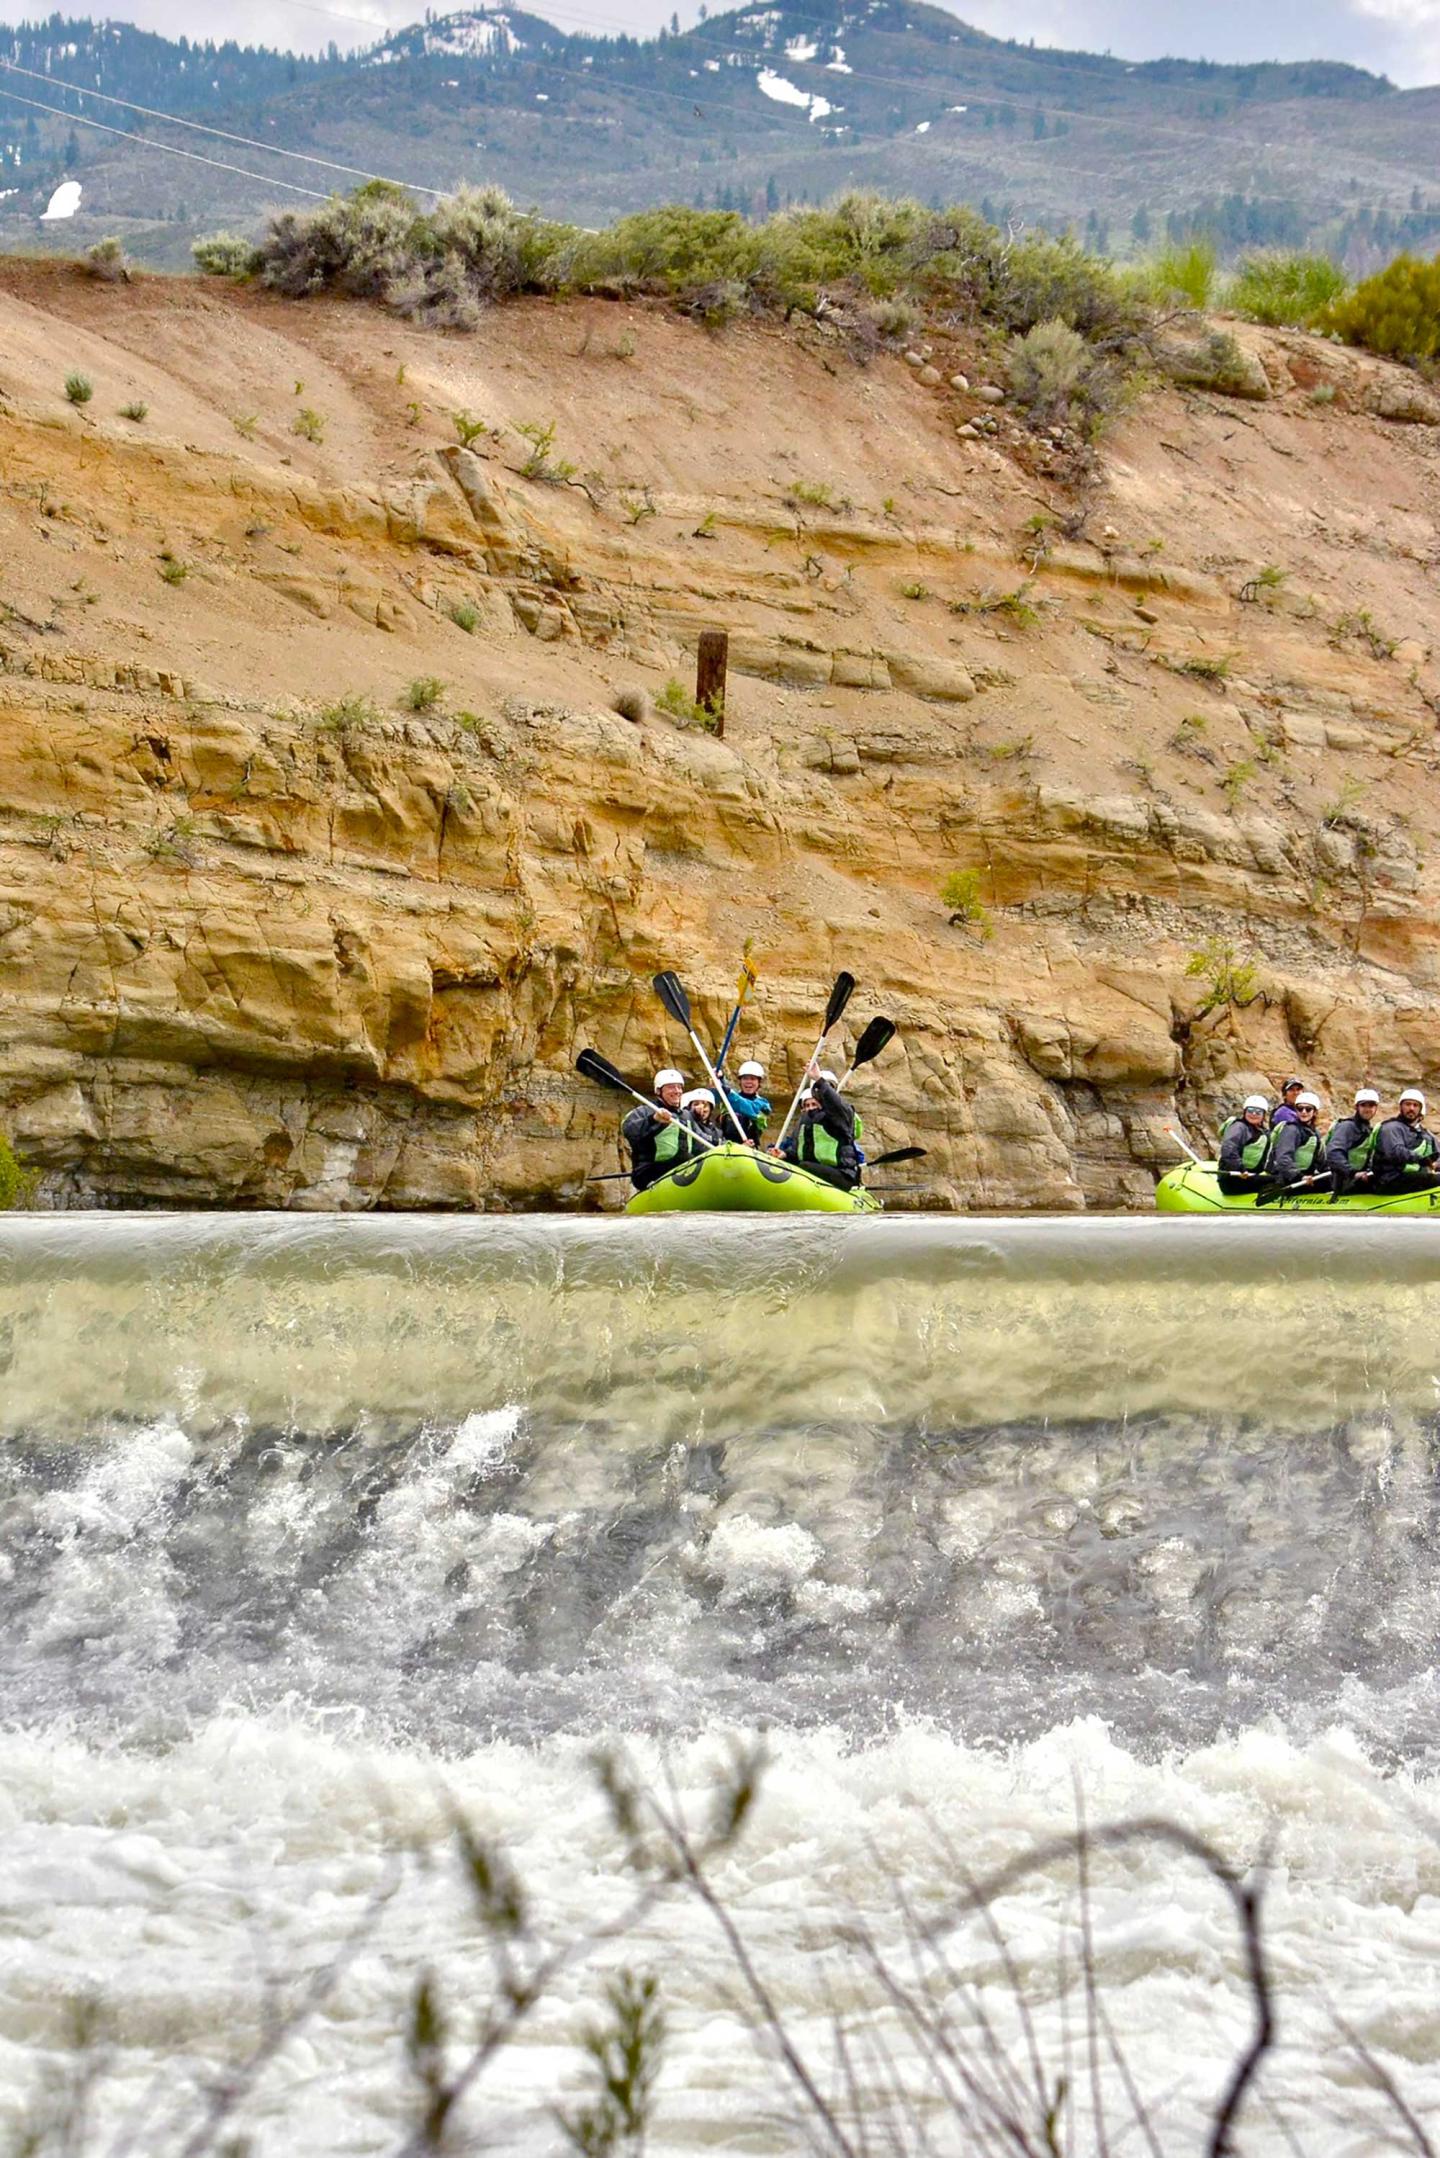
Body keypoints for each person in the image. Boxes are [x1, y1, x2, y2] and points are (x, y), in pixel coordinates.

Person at [776, 1067, 860, 1191]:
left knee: (804, 1166)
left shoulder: (843, 1115)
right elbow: (797, 1151)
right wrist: (784, 1154)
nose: (822, 1093)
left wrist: (819, 1080)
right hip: (814, 1171)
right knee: (798, 1165)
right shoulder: (806, 1120)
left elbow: (834, 1102)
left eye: (828, 1088)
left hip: (841, 1174)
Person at [622, 1068, 703, 1191]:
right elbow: (630, 1131)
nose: (677, 1091)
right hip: (649, 1172)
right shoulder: (644, 1111)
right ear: (659, 1091)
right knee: (685, 1159)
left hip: (681, 1169)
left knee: (689, 1158)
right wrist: (653, 1120)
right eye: (671, 1087)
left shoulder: (686, 1116)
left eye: (679, 1087)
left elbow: (701, 1142)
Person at [1373, 1088, 1440, 1194]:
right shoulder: (1390, 1128)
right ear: (1401, 1107)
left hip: (1412, 1177)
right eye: (1407, 1104)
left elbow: (1437, 1154)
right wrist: (1421, 1159)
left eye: (1415, 1105)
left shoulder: (1426, 1135)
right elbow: (1396, 1152)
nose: (1411, 1108)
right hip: (1390, 1179)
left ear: (1420, 1109)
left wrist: (1436, 1163)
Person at [1266, 1090, 1329, 1191]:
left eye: (1308, 1109)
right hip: (1289, 1179)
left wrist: (1329, 1171)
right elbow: (1283, 1158)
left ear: (1315, 1112)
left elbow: (1321, 1160)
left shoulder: (1314, 1133)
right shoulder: (1291, 1130)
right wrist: (1299, 1177)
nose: (1304, 1112)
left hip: (1305, 1177)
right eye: (1300, 1109)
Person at [1325, 1088, 1381, 1197]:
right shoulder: (1347, 1127)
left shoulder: (1368, 1130)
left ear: (1376, 1108)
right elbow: (1334, 1153)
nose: (1367, 1109)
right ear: (1356, 1107)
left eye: (1371, 1105)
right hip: (1343, 1182)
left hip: (1357, 1179)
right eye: (1363, 1105)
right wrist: (1353, 1173)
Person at [1217, 1095, 1271, 1195]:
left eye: (1258, 1111)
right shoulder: (1239, 1127)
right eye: (1250, 1110)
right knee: (1279, 1181)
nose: (1254, 1114)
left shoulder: (1262, 1131)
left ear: (1264, 1115)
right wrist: (1239, 1169)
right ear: (1245, 1111)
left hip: (1249, 1177)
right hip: (1235, 1180)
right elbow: (1228, 1149)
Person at [721, 1060, 771, 1147]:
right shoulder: (727, 1098)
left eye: (753, 1079)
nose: (748, 1082)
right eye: (745, 1078)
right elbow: (714, 1095)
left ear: (759, 1082)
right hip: (726, 1147)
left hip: (749, 1148)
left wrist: (728, 1092)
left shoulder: (764, 1104)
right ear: (740, 1081)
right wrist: (719, 1080)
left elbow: (750, 1109)